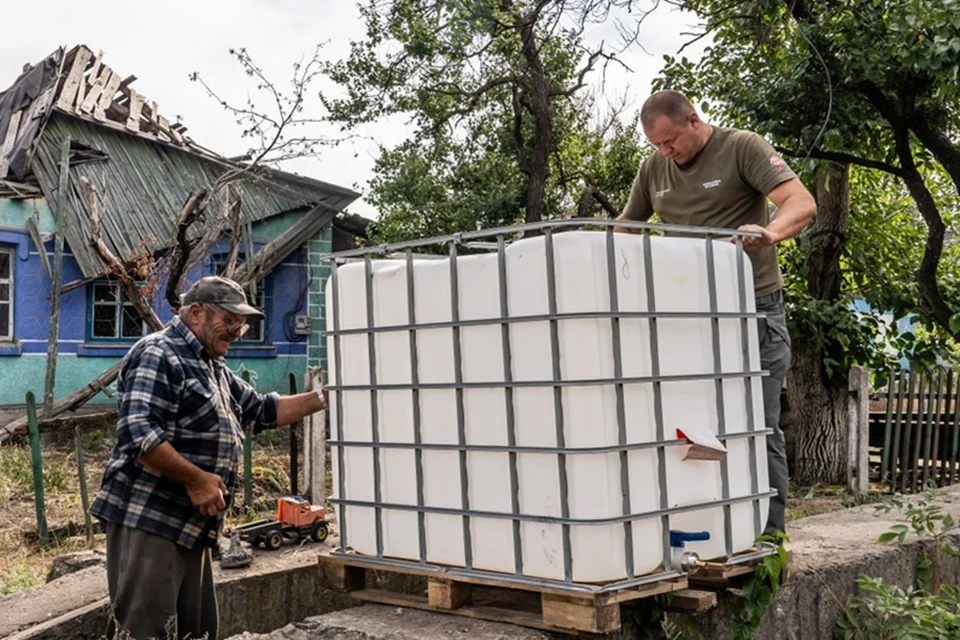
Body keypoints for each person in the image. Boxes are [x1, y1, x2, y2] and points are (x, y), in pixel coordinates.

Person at [615, 90, 816, 538]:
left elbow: (801, 203)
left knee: (756, 424)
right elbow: (628, 224)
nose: (666, 152)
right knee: (689, 424)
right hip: (687, 315)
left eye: (670, 141)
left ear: (693, 119)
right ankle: (707, 528)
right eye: (657, 145)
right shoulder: (654, 168)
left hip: (752, 309)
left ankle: (766, 536)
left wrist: (769, 232)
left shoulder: (742, 147)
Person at [89, 276, 328, 640]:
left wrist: (327, 397)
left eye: (241, 323)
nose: (237, 331)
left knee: (194, 631)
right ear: (196, 313)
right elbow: (139, 432)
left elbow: (262, 409)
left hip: (192, 526)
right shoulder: (160, 353)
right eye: (229, 320)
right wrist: (196, 480)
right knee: (145, 628)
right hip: (151, 521)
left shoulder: (211, 365)